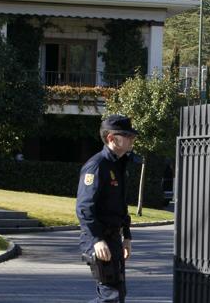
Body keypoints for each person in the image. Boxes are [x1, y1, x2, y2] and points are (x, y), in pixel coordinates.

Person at [76, 114, 138, 303]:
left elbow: (120, 205)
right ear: (112, 138)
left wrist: (126, 236)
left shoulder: (118, 164)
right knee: (111, 296)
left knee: (118, 294)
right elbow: (84, 208)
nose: (132, 139)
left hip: (113, 239)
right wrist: (97, 240)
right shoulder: (96, 166)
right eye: (127, 135)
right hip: (99, 240)